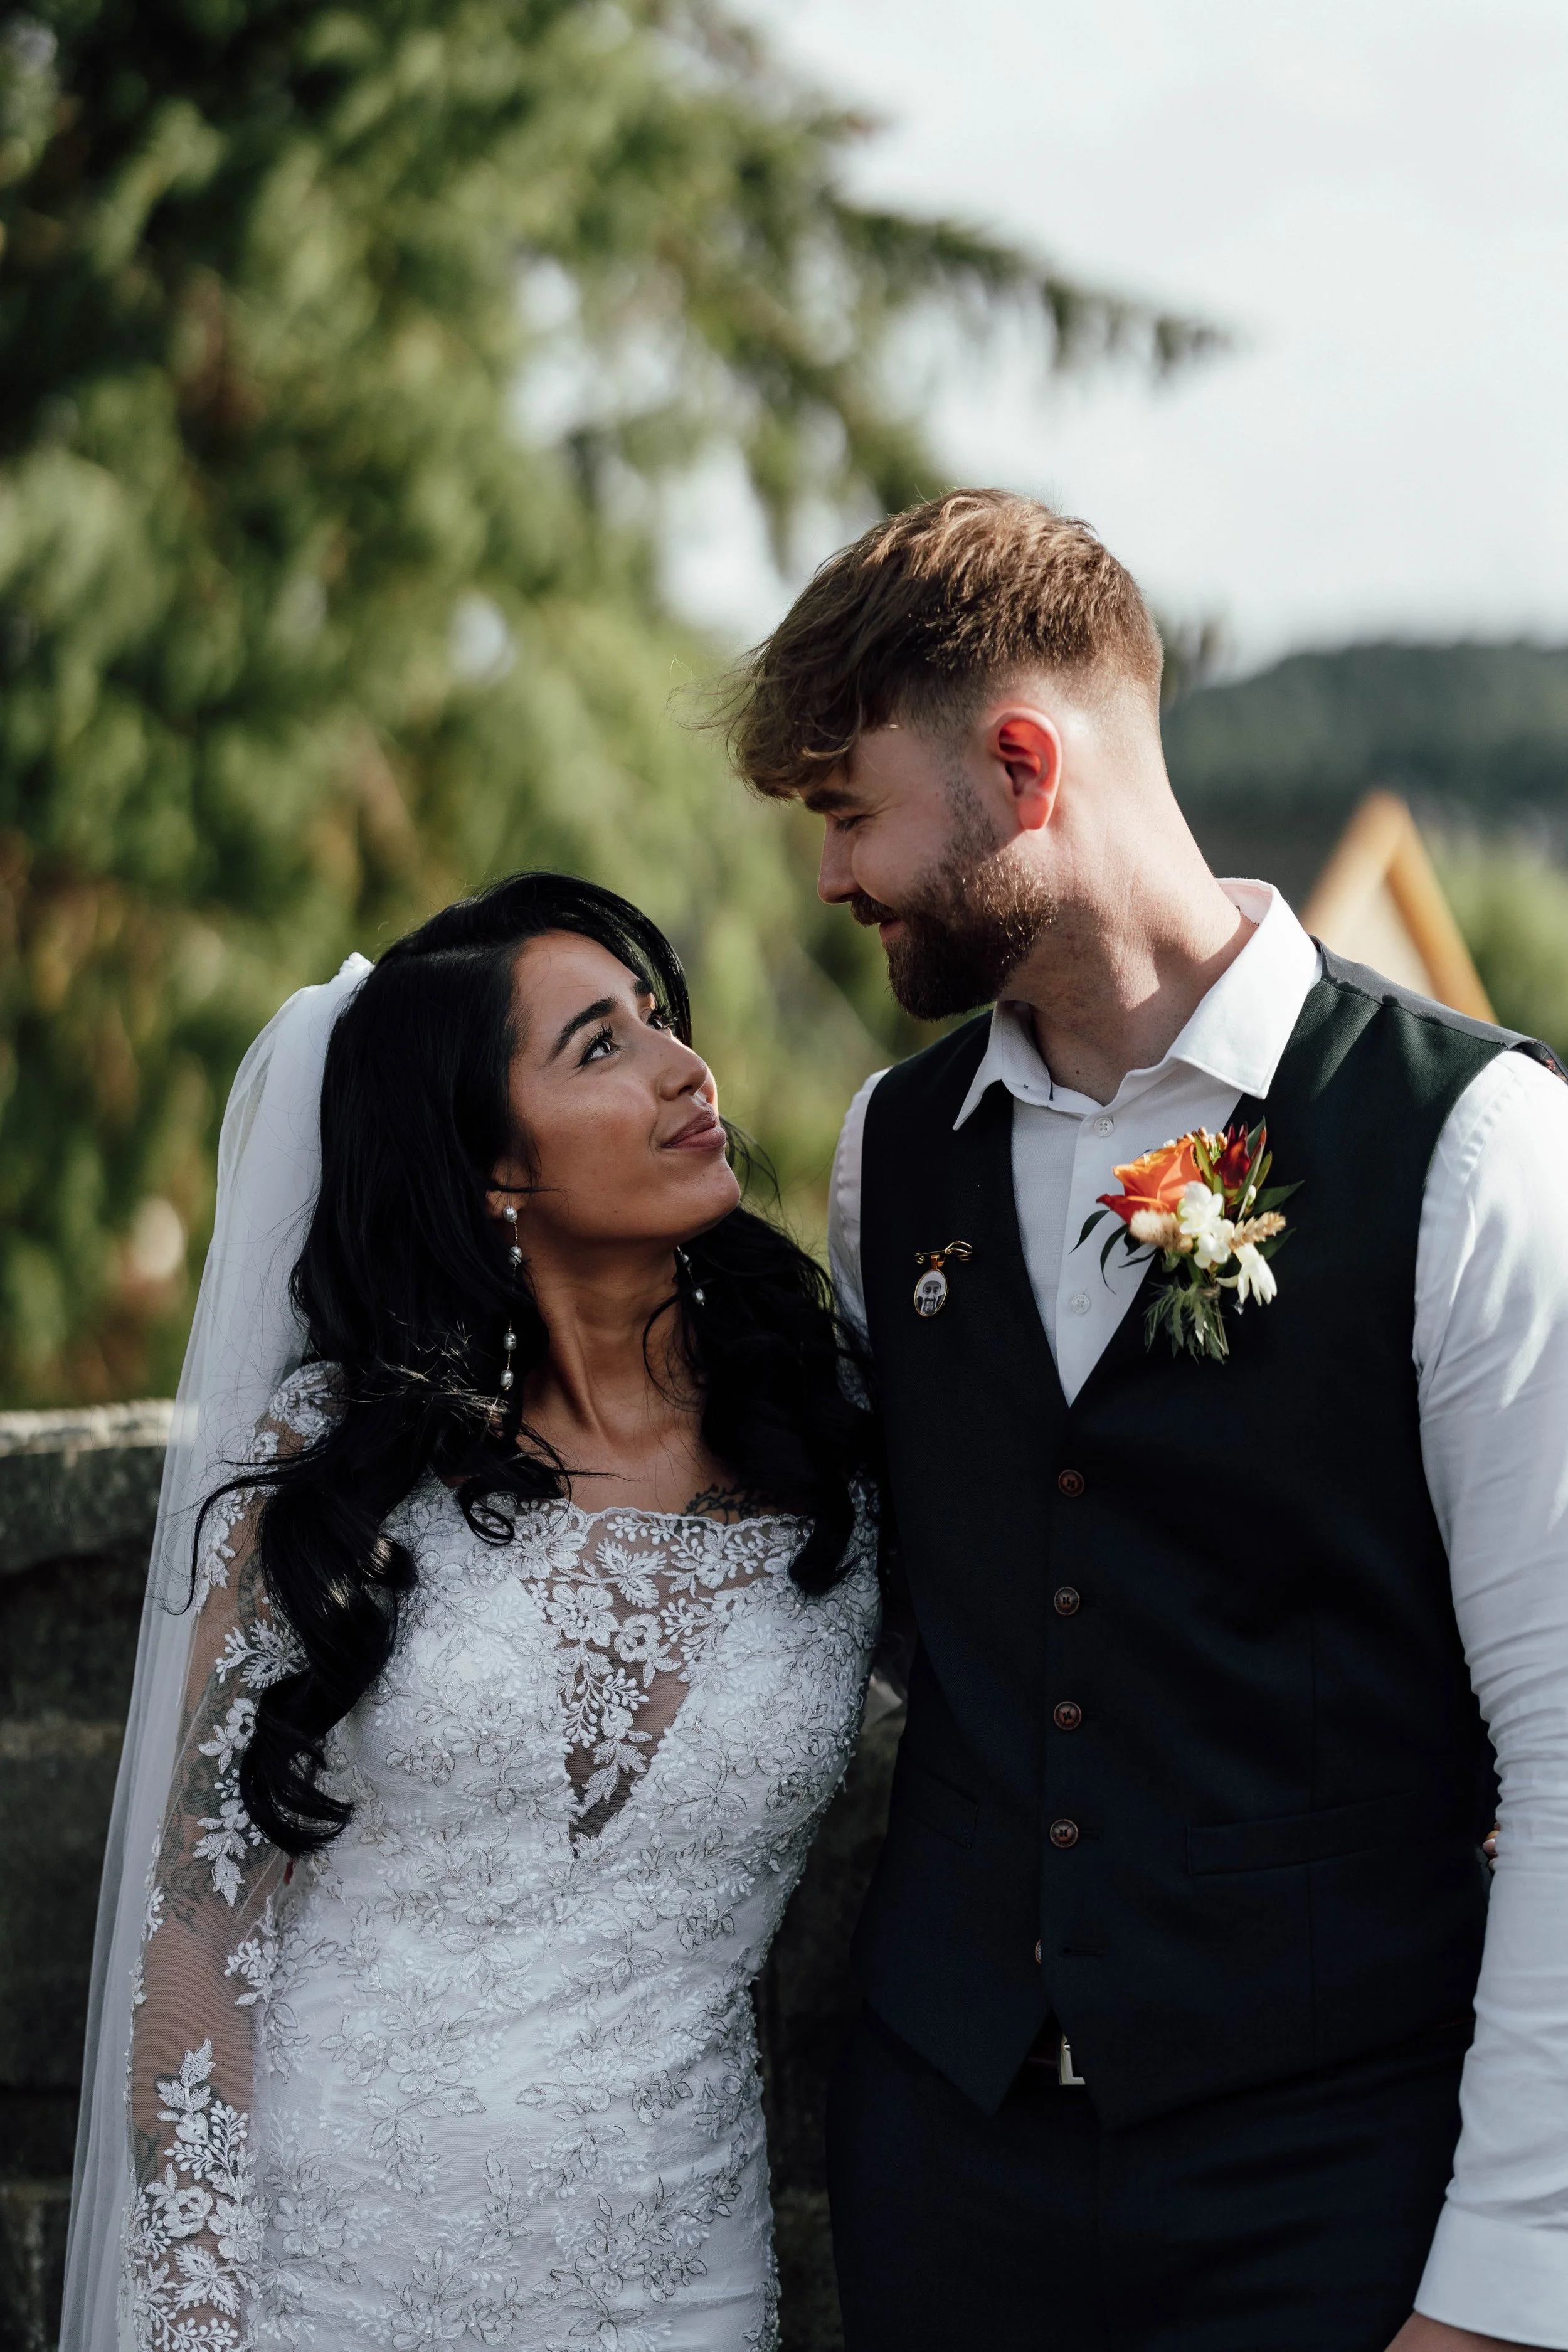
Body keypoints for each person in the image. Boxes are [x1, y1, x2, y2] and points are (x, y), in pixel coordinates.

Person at [724, 489, 1568, 2352]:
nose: (831, 877)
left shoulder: (1480, 1148)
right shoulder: (890, 1151)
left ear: (1022, 765)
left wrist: (1509, 2272)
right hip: (949, 2167)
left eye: (851, 813)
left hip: (1332, 2184)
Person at [64, 873, 879, 2352]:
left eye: (658, 1024)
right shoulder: (336, 1481)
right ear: (490, 1169)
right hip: (330, 2281)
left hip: (679, 2282)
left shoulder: (830, 1449)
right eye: (597, 1047)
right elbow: (197, 1932)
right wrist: (193, 2306)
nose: (684, 1071)